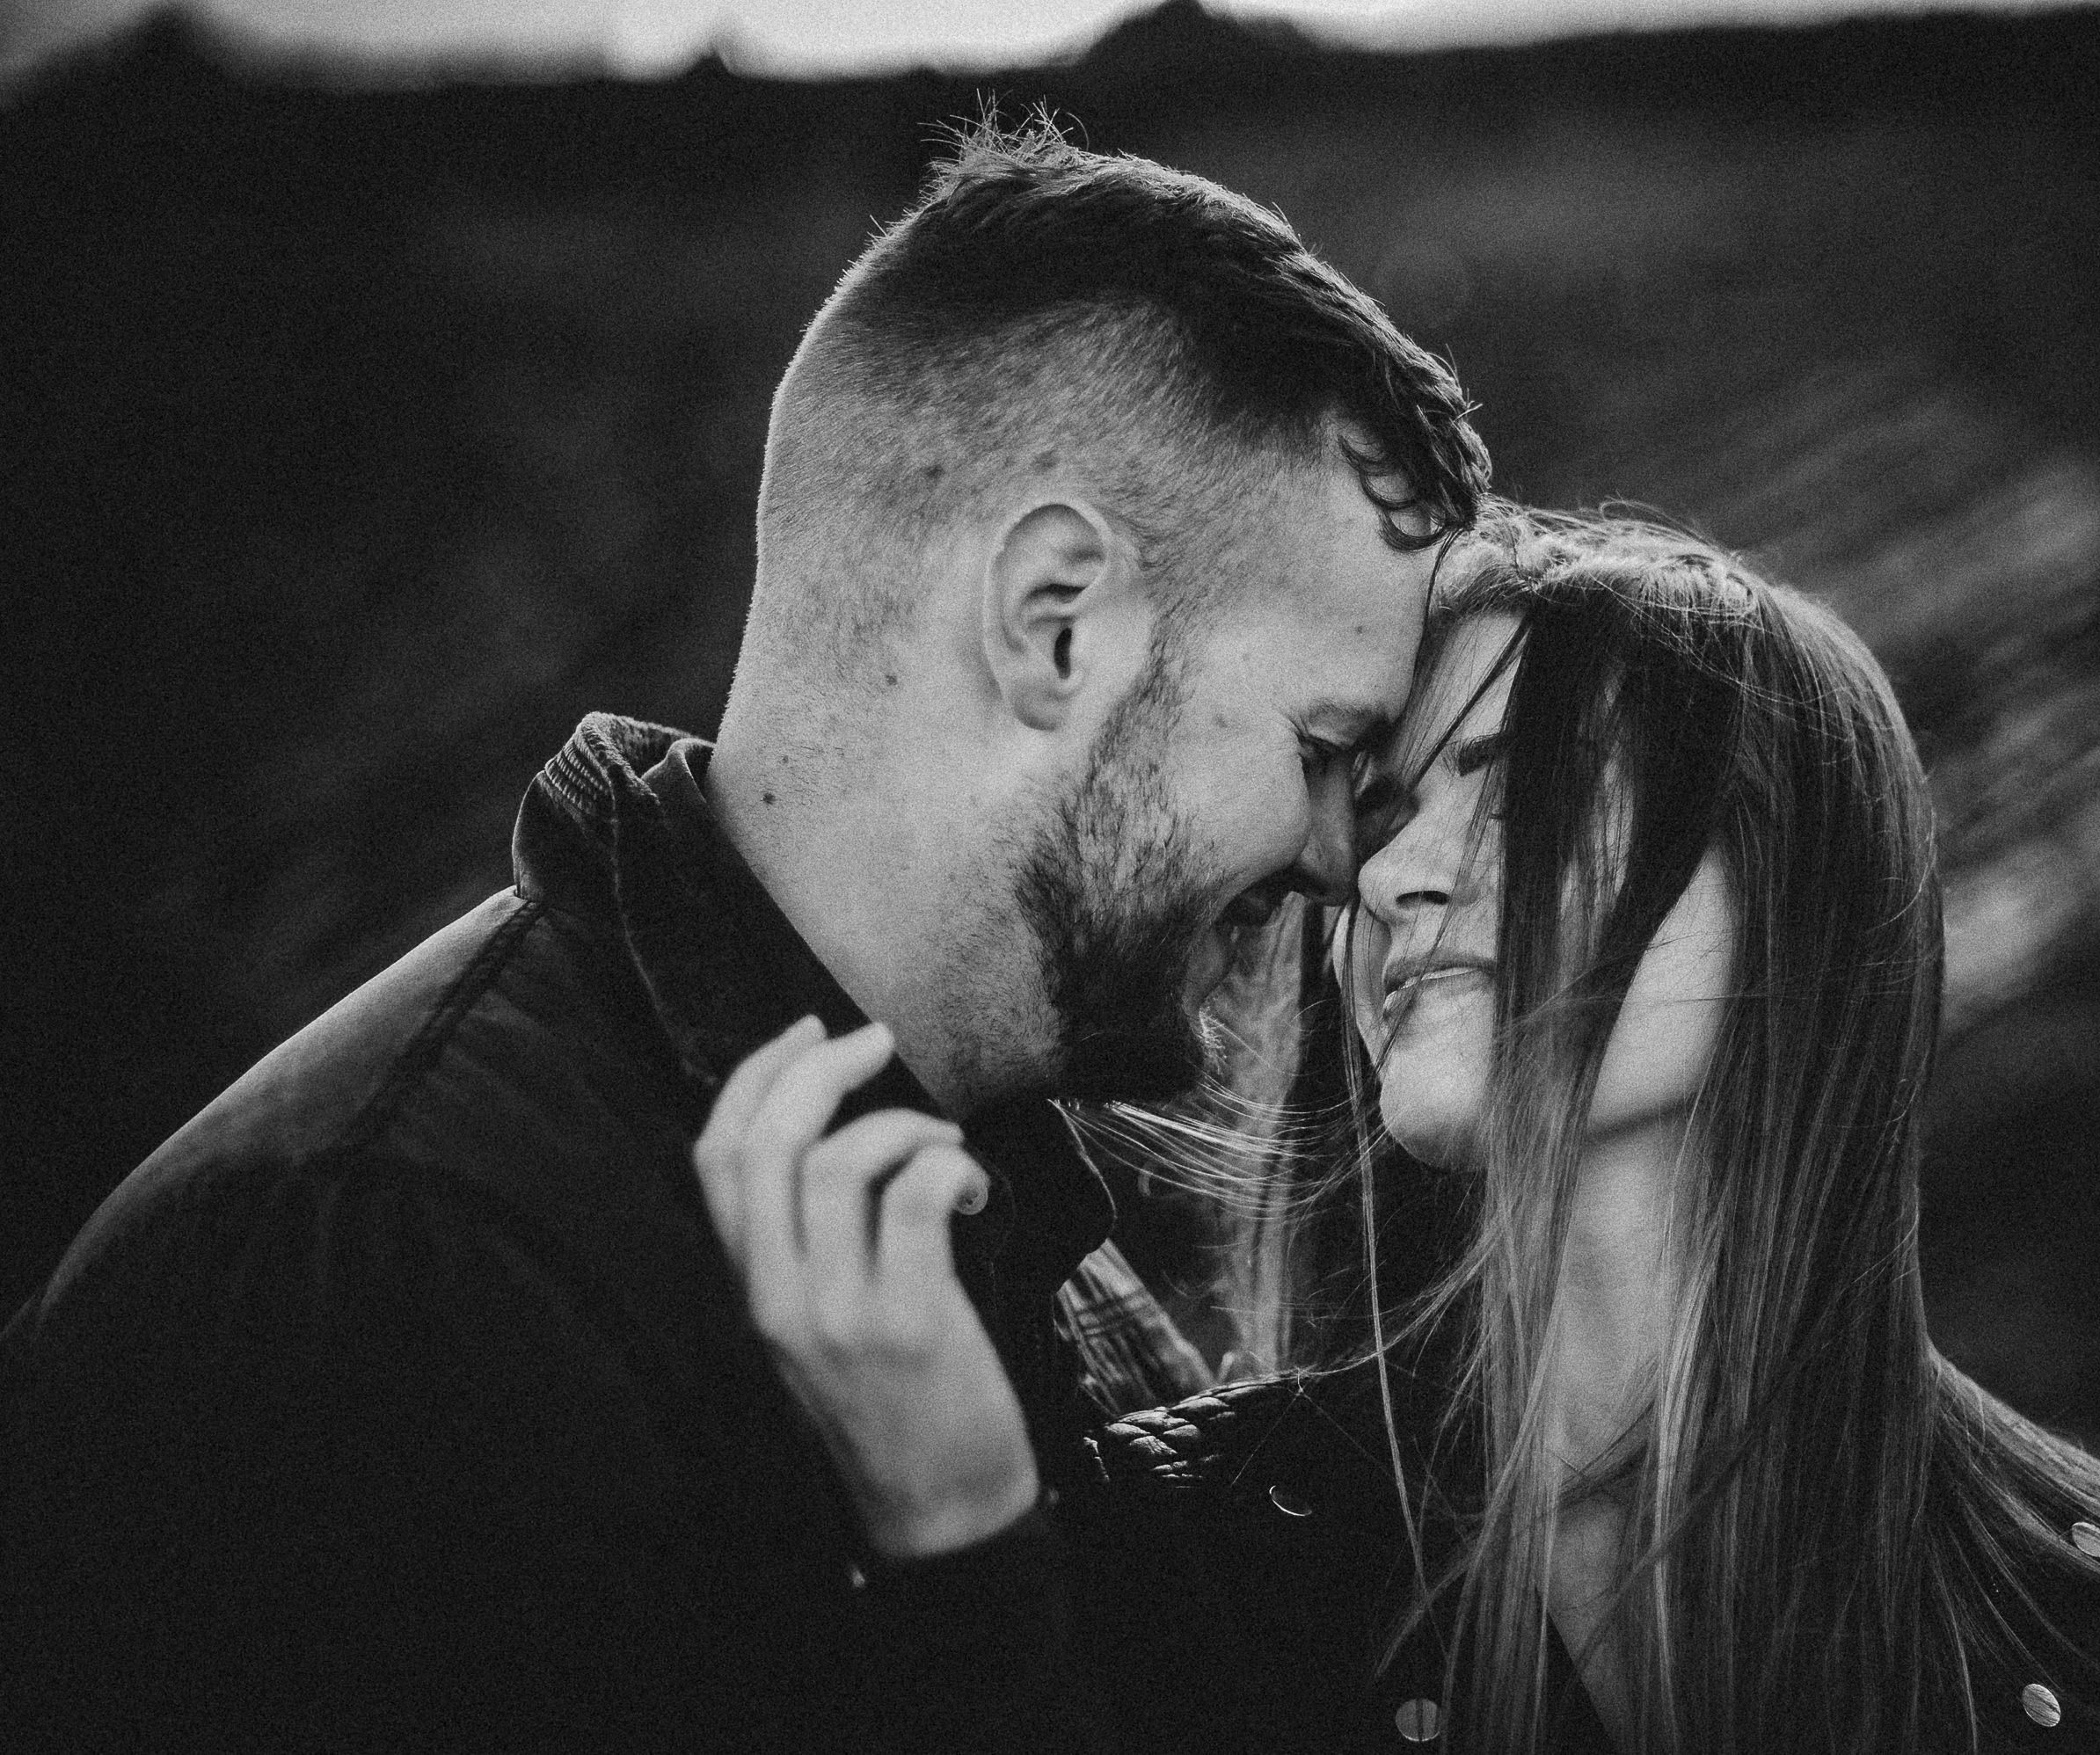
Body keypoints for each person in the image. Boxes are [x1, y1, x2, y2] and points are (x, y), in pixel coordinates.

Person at [0, 120, 1485, 1753]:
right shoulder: (371, 1285)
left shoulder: (1012, 1217)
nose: (1354, 856)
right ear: (1057, 624)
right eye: (1326, 748)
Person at [704, 511, 2100, 1751]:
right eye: (1379, 815)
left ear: (1792, 889)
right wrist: (967, 1561)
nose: (1390, 879)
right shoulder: (1185, 1567)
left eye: (1521, 794)